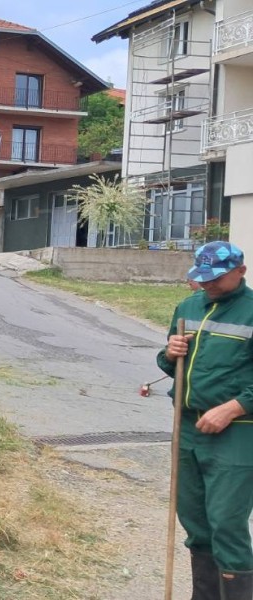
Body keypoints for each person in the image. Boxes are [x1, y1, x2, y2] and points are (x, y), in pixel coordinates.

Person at [157, 241, 253, 600]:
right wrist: (169, 353)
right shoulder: (188, 306)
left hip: (237, 433)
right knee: (195, 522)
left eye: (216, 278)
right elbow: (171, 364)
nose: (208, 285)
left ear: (240, 272)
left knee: (226, 524)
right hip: (187, 428)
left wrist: (234, 407)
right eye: (202, 278)